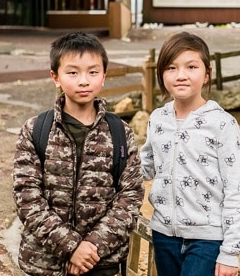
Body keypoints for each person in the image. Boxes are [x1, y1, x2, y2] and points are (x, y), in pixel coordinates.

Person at [12, 32, 145, 276]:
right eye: (73, 72)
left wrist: (92, 246)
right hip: (44, 263)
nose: (84, 81)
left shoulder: (120, 132)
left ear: (104, 76)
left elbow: (131, 196)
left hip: (100, 263)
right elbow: (27, 197)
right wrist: (71, 247)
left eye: (93, 72)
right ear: (56, 77)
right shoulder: (36, 129)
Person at [140, 31, 240, 276]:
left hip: (207, 238)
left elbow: (235, 189)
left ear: (207, 73)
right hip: (164, 233)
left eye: (191, 66)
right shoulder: (158, 119)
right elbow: (145, 166)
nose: (181, 76)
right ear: (161, 75)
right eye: (171, 68)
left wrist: (231, 251)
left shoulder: (223, 124)